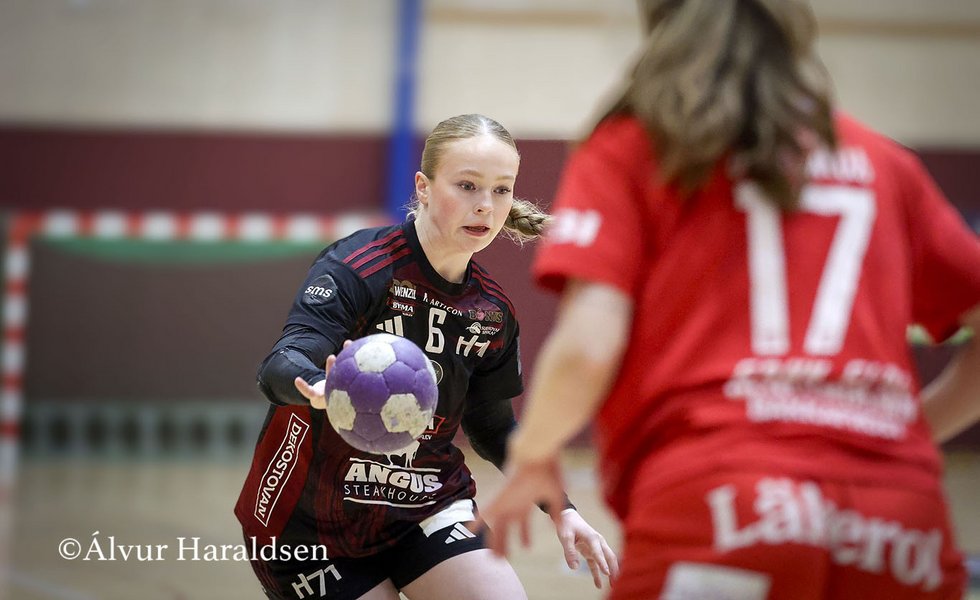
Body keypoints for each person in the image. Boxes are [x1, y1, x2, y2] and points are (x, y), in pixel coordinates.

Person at [480, 1, 980, 599]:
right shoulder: (886, 164)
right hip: (900, 521)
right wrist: (907, 436)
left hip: (723, 496)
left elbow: (588, 345)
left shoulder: (638, 146)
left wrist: (535, 453)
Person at [234, 113, 618, 600]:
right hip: (310, 523)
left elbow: (493, 427)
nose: (485, 205)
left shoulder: (491, 312)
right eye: (467, 186)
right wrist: (320, 386)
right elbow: (280, 364)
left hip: (425, 505)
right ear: (424, 187)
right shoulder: (358, 267)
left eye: (501, 190)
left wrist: (563, 510)